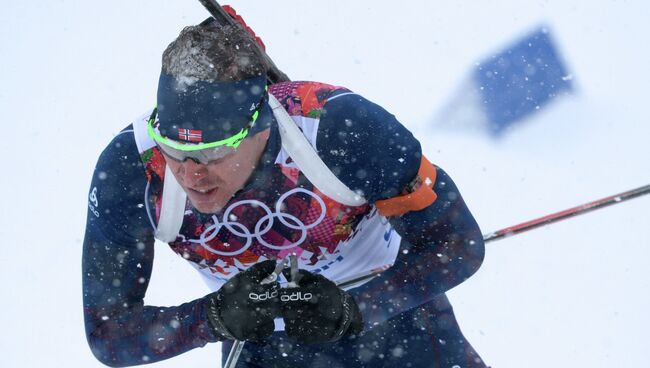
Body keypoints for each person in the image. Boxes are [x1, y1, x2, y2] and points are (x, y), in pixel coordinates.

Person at [83, 17, 487, 368]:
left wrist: (355, 310)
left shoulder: (336, 126)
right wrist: (213, 318)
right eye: (173, 148)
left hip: (395, 324)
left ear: (260, 127)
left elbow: (457, 245)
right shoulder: (133, 171)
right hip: (260, 345)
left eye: (214, 152)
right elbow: (109, 333)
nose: (191, 175)